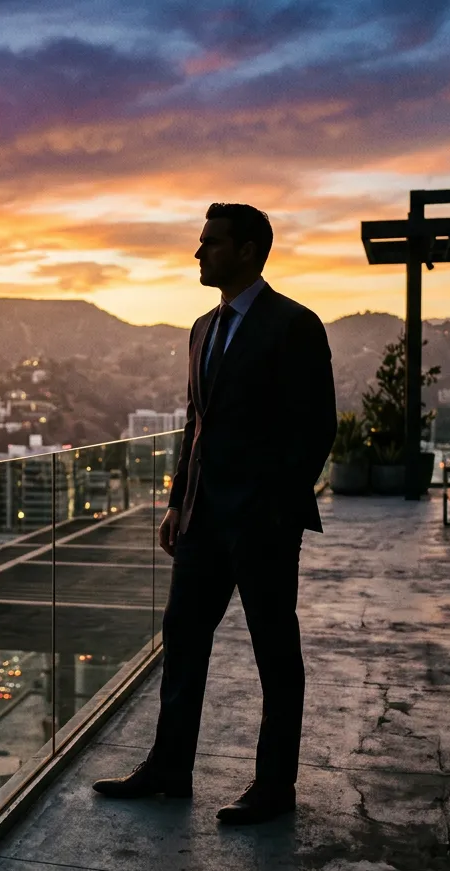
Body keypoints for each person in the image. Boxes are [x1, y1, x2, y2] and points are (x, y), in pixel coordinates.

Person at [93, 203, 336, 824]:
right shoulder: (201, 327)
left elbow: (317, 429)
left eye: (211, 244)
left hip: (262, 524)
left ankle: (274, 787)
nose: (198, 255)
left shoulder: (295, 325)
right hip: (202, 520)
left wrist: (274, 508)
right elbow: (195, 426)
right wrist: (178, 501)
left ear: (250, 250)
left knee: (275, 655)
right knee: (183, 640)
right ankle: (171, 768)